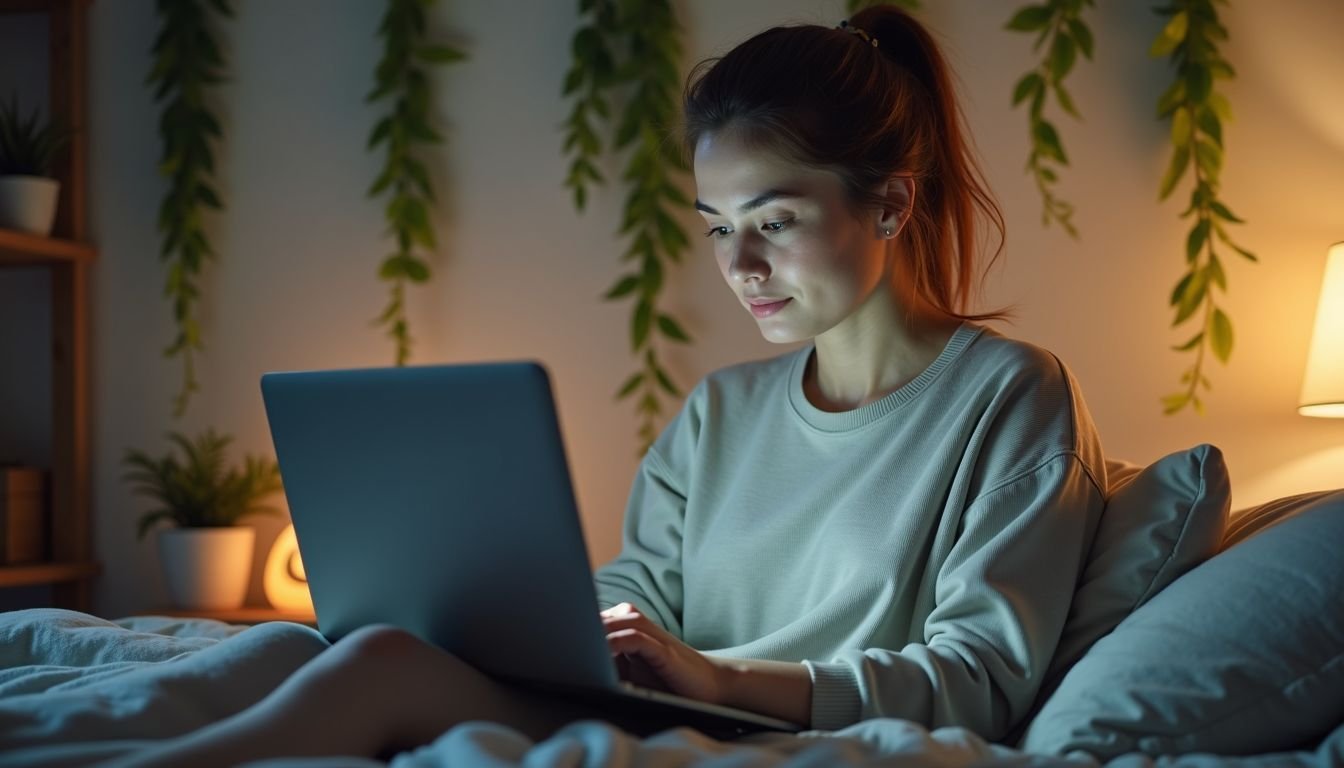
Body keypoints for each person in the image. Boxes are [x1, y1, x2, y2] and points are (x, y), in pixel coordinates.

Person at [117, 6, 1106, 766]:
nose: (740, 265)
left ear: (889, 203)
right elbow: (642, 583)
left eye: (774, 220)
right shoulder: (721, 409)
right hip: (660, 700)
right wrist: (576, 624)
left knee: (372, 675)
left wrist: (719, 678)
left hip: (763, 731)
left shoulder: (1010, 399)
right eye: (718, 226)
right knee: (350, 652)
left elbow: (978, 682)